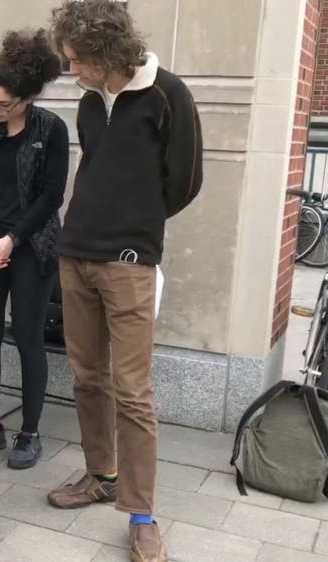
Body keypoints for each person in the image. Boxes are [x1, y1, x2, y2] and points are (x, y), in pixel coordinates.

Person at [46, 2, 203, 562]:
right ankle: (101, 475)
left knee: (133, 391)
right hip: (76, 253)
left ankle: (141, 515)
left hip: (130, 263)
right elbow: (94, 166)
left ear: (105, 50)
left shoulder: (168, 95)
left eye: (76, 60)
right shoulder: (91, 101)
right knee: (88, 376)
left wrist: (136, 228)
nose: (71, 71)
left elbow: (185, 181)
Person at [0, 29, 69, 469]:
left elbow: (51, 196)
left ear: (27, 97)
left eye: (3, 104)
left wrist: (12, 239)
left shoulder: (51, 129)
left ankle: (30, 432)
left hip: (31, 247)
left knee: (27, 338)